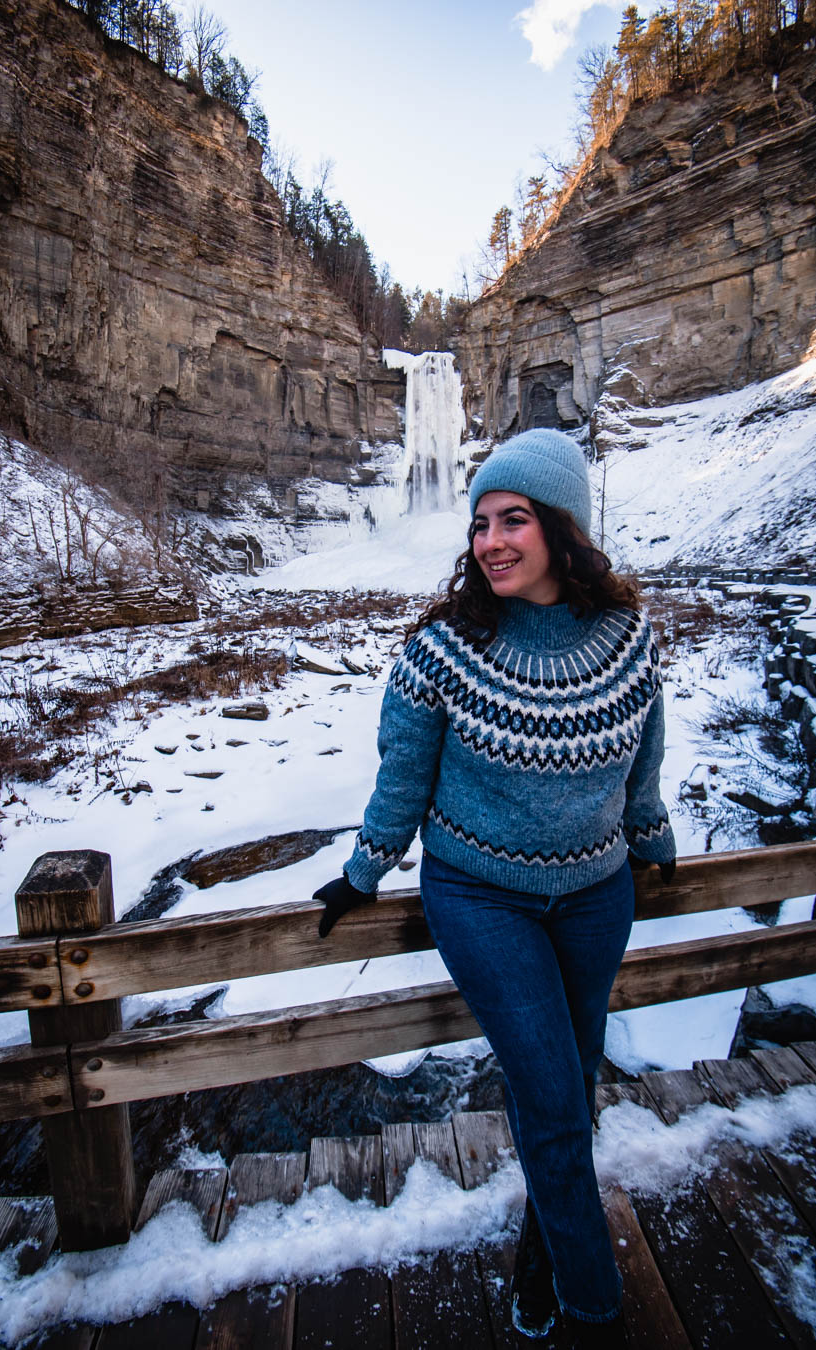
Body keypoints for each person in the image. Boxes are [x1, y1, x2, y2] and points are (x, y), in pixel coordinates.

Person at [313, 428, 676, 1348]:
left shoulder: (630, 639)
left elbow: (644, 760)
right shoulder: (445, 647)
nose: (490, 541)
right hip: (481, 900)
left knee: (565, 1094)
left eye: (513, 519)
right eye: (480, 524)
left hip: (597, 899)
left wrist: (651, 834)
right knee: (555, 1107)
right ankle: (600, 1315)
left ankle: (535, 1266)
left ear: (564, 529)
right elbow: (404, 776)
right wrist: (364, 870)